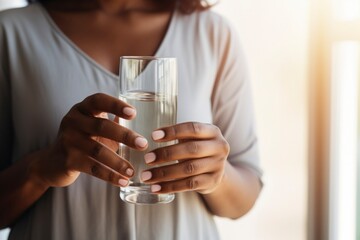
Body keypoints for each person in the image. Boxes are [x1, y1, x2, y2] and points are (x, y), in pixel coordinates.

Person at [0, 0, 263, 239]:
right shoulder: (10, 33)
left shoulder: (212, 33)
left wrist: (218, 176)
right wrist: (41, 169)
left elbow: (246, 195)